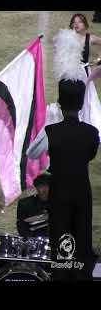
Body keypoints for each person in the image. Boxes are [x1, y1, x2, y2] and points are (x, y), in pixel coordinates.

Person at [46, 78, 98, 281]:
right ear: (81, 104)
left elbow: (33, 152)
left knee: (60, 237)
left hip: (58, 191)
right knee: (82, 237)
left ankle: (62, 274)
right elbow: (90, 155)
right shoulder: (92, 132)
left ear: (60, 103)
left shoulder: (51, 131)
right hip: (82, 192)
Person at [70, 14, 101, 134]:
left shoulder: (90, 38)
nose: (76, 24)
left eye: (80, 22)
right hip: (71, 73)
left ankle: (83, 122)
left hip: (84, 74)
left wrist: (99, 58)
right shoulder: (68, 38)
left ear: (85, 25)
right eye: (74, 22)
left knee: (85, 98)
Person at [16, 173, 50, 238]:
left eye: (45, 187)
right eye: (39, 187)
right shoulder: (25, 204)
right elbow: (22, 227)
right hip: (35, 242)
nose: (41, 191)